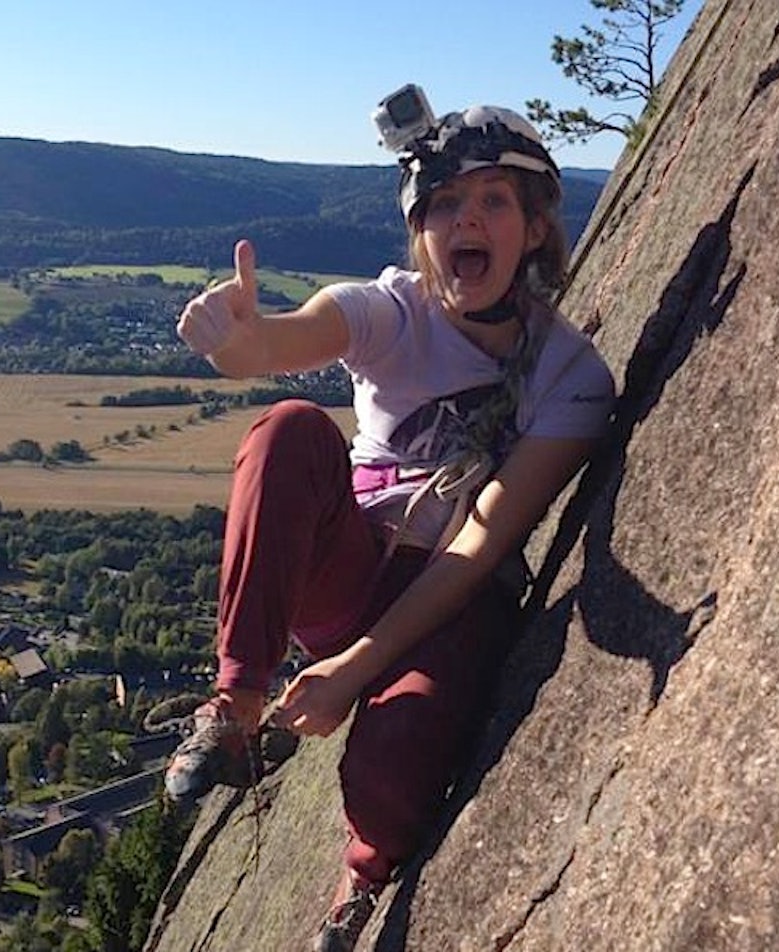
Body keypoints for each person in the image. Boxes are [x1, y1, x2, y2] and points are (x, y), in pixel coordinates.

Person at [164, 93, 615, 952]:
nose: (465, 220)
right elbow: (277, 348)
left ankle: (361, 879)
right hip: (351, 560)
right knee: (290, 427)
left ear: (532, 227)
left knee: (397, 756)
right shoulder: (390, 310)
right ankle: (236, 704)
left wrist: (353, 670)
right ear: (420, 229)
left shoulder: (574, 377)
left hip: (454, 591)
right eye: (445, 203)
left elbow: (481, 547)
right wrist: (233, 340)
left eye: (491, 200)